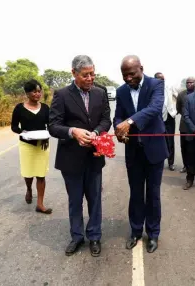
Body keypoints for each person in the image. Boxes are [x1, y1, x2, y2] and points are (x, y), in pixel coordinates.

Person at [49, 55, 111, 256]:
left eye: (93, 74)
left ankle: (94, 236)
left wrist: (96, 132)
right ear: (74, 73)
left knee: (95, 199)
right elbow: (53, 126)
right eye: (86, 75)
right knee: (75, 200)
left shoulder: (100, 93)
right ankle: (77, 237)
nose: (91, 78)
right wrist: (73, 131)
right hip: (71, 159)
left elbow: (105, 120)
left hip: (94, 157)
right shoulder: (62, 95)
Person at [113, 55, 168, 253]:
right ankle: (136, 231)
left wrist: (129, 122)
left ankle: (153, 234)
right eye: (124, 75)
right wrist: (118, 129)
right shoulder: (121, 91)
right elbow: (118, 114)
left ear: (141, 68)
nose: (128, 78)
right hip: (133, 151)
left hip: (154, 149)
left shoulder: (156, 85)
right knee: (136, 193)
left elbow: (154, 109)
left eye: (132, 74)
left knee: (153, 194)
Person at [11, 79, 52, 214]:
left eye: (39, 91)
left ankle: (40, 204)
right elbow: (14, 126)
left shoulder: (46, 108)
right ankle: (29, 188)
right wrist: (22, 132)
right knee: (28, 173)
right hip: (26, 144)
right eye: (34, 91)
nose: (38, 94)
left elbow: (50, 125)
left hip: (42, 144)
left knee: (41, 174)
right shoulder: (19, 108)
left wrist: (47, 136)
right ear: (27, 93)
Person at [176, 77, 195, 174]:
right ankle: (185, 166)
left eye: (191, 82)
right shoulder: (181, 94)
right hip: (184, 125)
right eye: (187, 82)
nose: (189, 84)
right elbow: (178, 108)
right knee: (184, 147)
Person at [155, 72, 177, 171]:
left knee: (170, 142)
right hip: (157, 119)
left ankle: (171, 163)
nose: (161, 81)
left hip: (169, 119)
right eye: (159, 79)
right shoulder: (151, 90)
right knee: (157, 142)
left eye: (162, 80)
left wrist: (175, 111)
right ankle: (158, 162)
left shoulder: (169, 88)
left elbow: (178, 98)